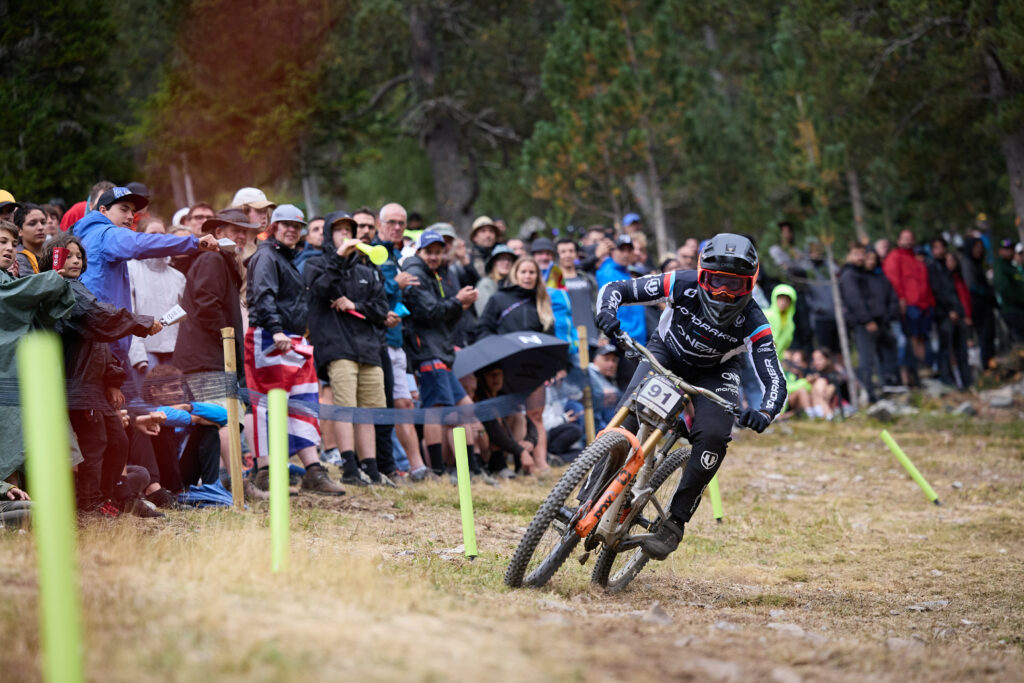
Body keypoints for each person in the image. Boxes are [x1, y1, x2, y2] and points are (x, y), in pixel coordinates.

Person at [595, 233, 786, 561]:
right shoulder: (680, 282)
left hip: (716, 372)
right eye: (716, 281)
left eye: (734, 285)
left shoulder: (755, 321)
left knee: (713, 436)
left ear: (750, 285)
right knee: (627, 417)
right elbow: (616, 290)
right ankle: (591, 490)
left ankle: (675, 522)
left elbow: (776, 380)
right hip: (666, 352)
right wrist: (607, 314)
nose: (724, 293)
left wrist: (764, 413)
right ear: (701, 273)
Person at [42, 235, 165, 517]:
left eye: (79, 256)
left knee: (118, 442)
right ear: (54, 260)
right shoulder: (62, 289)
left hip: (95, 386)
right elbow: (100, 318)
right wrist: (142, 322)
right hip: (79, 386)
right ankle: (89, 505)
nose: (75, 260)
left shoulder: (77, 288)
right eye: (68, 255)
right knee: (94, 446)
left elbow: (99, 342)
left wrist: (112, 380)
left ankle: (107, 499)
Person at [244, 204, 345, 495]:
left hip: (293, 340)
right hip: (271, 339)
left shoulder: (286, 257)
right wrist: (275, 330)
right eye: (285, 224)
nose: (291, 229)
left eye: (296, 225)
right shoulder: (266, 255)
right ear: (273, 227)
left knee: (301, 405)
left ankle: (313, 471)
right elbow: (263, 296)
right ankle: (267, 473)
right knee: (268, 407)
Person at [73, 186, 218, 368]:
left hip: (97, 340)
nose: (130, 216)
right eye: (123, 209)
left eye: (133, 211)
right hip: (103, 344)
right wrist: (194, 242)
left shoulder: (86, 236)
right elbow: (140, 243)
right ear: (103, 210)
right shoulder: (107, 234)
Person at [305, 212, 393, 486]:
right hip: (336, 347)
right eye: (339, 230)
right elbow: (319, 291)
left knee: (367, 410)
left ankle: (371, 468)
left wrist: (356, 306)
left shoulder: (367, 270)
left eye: (349, 229)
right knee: (345, 408)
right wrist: (339, 258)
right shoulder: (315, 263)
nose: (345, 234)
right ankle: (350, 468)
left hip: (369, 349)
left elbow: (381, 309)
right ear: (330, 234)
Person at [403, 231, 486, 477]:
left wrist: (461, 304)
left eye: (438, 252)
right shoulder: (416, 274)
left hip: (441, 350)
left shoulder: (435, 274)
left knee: (465, 407)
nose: (434, 256)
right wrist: (458, 302)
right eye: (429, 251)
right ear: (419, 251)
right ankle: (438, 470)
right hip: (427, 351)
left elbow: (442, 313)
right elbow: (429, 312)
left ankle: (470, 468)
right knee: (436, 411)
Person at [0, 221, 76, 490]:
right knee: (9, 441)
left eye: (12, 243)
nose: (9, 248)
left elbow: (41, 316)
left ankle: (35, 506)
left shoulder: (12, 278)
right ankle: (11, 507)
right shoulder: (8, 285)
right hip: (5, 376)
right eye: (2, 242)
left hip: (24, 372)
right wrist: (53, 279)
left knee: (33, 438)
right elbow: (9, 298)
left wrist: (54, 288)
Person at [374, 203, 430, 481]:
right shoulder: (373, 253)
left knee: (405, 404)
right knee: (390, 404)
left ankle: (416, 466)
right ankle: (398, 465)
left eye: (401, 223)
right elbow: (372, 291)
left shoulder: (398, 254)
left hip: (399, 341)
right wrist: (396, 283)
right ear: (378, 223)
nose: (397, 227)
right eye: (392, 222)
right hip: (378, 340)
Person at [839, 243, 899, 401]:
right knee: (867, 359)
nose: (860, 257)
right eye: (856, 253)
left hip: (879, 321)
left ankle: (886, 384)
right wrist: (867, 320)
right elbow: (854, 301)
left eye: (862, 254)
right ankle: (870, 394)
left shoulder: (866, 274)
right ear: (849, 255)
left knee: (885, 349)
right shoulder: (849, 275)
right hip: (864, 323)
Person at [127, 220, 187, 374]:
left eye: (162, 234)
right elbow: (129, 313)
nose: (158, 238)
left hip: (174, 351)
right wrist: (138, 357)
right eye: (152, 233)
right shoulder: (130, 268)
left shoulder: (178, 276)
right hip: (145, 353)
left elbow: (184, 315)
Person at [883, 229, 935, 385]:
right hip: (909, 304)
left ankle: (925, 366)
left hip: (923, 304)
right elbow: (894, 280)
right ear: (899, 240)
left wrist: (930, 302)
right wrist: (901, 299)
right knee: (912, 337)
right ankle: (917, 368)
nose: (908, 241)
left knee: (921, 336)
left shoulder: (916, 259)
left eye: (910, 238)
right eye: (905, 238)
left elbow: (924, 282)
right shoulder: (895, 257)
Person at [927, 238, 970, 386]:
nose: (940, 251)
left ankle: (966, 381)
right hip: (944, 314)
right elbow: (938, 291)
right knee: (946, 348)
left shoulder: (948, 268)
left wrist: (959, 310)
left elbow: (955, 292)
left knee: (961, 349)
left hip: (957, 311)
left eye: (942, 247)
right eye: (936, 248)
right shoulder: (932, 268)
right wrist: (949, 310)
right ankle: (948, 380)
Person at [596, 234, 647, 344]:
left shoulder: (630, 272)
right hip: (620, 337)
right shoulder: (605, 271)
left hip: (637, 337)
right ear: (613, 252)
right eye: (622, 249)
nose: (626, 254)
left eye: (629, 250)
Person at [556, 237, 599, 344]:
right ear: (557, 255)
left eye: (571, 251)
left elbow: (599, 306)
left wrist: (603, 335)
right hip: (567, 340)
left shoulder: (588, 279)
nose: (568, 255)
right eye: (563, 252)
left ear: (576, 254)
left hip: (593, 339)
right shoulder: (553, 282)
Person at [993, 238, 1024, 342]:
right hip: (1011, 310)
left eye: (1010, 248)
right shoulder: (1000, 266)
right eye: (1006, 249)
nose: (1009, 251)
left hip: (1019, 309)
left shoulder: (1013, 266)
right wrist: (1021, 298)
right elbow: (1004, 289)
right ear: (1000, 251)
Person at [588, 342, 622, 429]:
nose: (611, 364)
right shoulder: (589, 373)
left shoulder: (611, 379)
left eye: (614, 360)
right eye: (606, 359)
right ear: (595, 361)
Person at [474, 244, 515, 315]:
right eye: (501, 259)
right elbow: (484, 313)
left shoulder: (513, 285)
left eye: (509, 259)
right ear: (494, 262)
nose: (506, 262)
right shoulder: (486, 284)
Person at [13, 203, 48, 276]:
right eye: (32, 223)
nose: (40, 227)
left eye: (43, 222)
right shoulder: (16, 259)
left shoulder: (53, 253)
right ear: (19, 230)